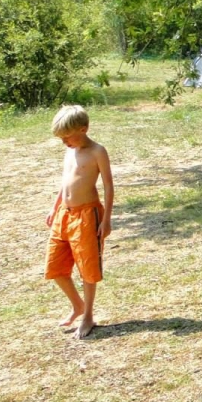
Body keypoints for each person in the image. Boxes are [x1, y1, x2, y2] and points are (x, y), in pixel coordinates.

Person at [44, 105, 114, 340]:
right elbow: (65, 183)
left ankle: (88, 316)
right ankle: (78, 305)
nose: (65, 143)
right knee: (55, 267)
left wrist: (106, 220)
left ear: (83, 129)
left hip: (87, 216)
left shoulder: (97, 151)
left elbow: (108, 186)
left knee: (88, 267)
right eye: (61, 139)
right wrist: (55, 208)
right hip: (65, 214)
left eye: (68, 137)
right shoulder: (69, 151)